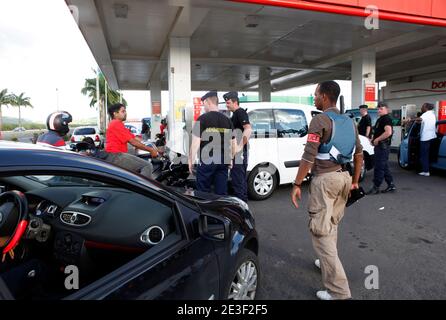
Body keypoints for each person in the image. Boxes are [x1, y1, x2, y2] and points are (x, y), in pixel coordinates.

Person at [290, 81, 363, 300]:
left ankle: (338, 291)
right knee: (331, 222)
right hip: (344, 177)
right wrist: (355, 182)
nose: (314, 98)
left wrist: (296, 184)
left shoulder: (319, 119)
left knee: (320, 231)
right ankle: (325, 260)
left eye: (315, 95)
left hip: (325, 181)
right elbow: (358, 154)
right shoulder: (350, 122)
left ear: (324, 96)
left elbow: (308, 157)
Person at [189, 91, 234, 195]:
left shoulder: (202, 119)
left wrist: (190, 160)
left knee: (203, 192)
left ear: (207, 102)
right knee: (221, 192)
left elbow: (196, 142)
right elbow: (233, 142)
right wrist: (231, 158)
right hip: (223, 160)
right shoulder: (227, 120)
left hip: (207, 159)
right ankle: (221, 211)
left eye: (203, 104)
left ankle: (204, 210)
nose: (203, 107)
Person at [105, 103, 159, 178]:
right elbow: (133, 142)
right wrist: (151, 150)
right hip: (116, 156)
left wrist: (154, 147)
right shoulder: (116, 123)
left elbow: (135, 139)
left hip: (116, 155)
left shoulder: (118, 124)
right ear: (115, 113)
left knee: (135, 169)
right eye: (123, 111)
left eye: (125, 111)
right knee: (147, 165)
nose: (125, 113)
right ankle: (142, 188)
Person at [223, 91, 252, 202]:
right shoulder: (235, 114)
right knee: (238, 181)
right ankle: (242, 207)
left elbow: (248, 129)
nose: (227, 104)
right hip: (236, 153)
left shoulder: (240, 112)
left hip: (239, 153)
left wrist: (239, 147)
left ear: (235, 102)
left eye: (228, 102)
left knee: (238, 182)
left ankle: (241, 211)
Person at [367, 102, 396, 194]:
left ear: (387, 109)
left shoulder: (386, 119)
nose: (379, 110)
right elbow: (379, 132)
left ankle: (376, 187)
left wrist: (377, 140)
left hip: (382, 147)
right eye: (378, 108)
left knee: (379, 167)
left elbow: (388, 132)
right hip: (381, 147)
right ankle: (391, 185)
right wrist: (373, 139)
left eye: (381, 108)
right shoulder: (381, 119)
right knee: (384, 167)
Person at [414, 103, 437, 176]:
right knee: (429, 154)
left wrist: (410, 119)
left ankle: (426, 171)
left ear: (426, 107)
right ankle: (428, 169)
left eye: (422, 106)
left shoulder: (426, 114)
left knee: (424, 155)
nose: (421, 108)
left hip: (425, 138)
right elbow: (422, 121)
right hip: (432, 137)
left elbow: (420, 119)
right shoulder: (432, 114)